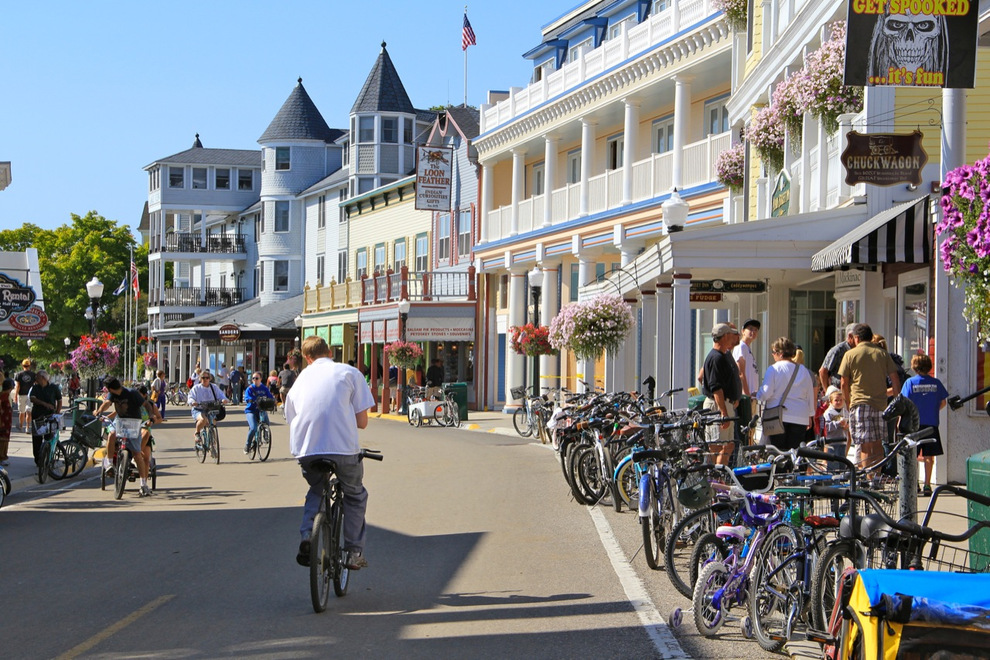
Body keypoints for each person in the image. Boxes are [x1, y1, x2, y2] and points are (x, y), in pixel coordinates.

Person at [287, 336, 375, 571]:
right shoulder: (349, 372)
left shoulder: (299, 380)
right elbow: (363, 422)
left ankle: (307, 536)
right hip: (342, 449)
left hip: (306, 450)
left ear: (307, 358)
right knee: (355, 495)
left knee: (317, 488)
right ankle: (353, 552)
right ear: (329, 352)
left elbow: (292, 418)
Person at [838, 323, 901, 468]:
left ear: (857, 338)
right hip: (880, 404)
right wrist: (897, 402)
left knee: (865, 445)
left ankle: (867, 478)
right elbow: (895, 378)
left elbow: (843, 382)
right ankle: (876, 479)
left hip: (859, 403)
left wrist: (847, 402)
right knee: (878, 443)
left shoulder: (850, 354)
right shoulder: (882, 353)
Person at [96, 377, 160, 496]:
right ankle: (109, 463)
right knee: (112, 434)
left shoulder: (132, 393)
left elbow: (146, 404)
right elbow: (107, 403)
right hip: (120, 421)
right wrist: (99, 411)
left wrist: (151, 416)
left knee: (137, 454)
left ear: (110, 388)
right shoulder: (112, 395)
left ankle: (143, 485)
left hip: (134, 422)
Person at [901, 353, 948, 496]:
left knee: (913, 454)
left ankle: (914, 483)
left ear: (914, 367)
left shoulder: (910, 383)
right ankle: (927, 484)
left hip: (914, 424)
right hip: (931, 423)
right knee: (929, 456)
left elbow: (904, 403)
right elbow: (943, 402)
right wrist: (933, 410)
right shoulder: (936, 383)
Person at [756, 337, 816, 451]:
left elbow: (765, 393)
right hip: (800, 417)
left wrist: (757, 394)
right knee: (795, 454)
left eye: (773, 352)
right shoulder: (803, 370)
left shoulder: (773, 369)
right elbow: (809, 395)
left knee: (777, 453)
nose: (773, 355)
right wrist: (810, 415)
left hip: (778, 417)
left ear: (780, 353)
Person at [701, 323, 742, 466]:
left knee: (728, 445)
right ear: (725, 336)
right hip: (718, 405)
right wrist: (723, 412)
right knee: (717, 446)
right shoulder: (715, 358)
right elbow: (716, 387)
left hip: (726, 404)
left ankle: (720, 476)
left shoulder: (724, 355)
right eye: (731, 334)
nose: (734, 337)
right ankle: (715, 477)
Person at [186, 371, 230, 449]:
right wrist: (193, 402)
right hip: (199, 409)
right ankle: (197, 433)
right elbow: (190, 397)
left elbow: (221, 395)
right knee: (203, 420)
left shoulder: (214, 387)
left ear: (210, 379)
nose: (205, 379)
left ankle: (212, 442)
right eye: (203, 378)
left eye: (207, 378)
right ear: (200, 379)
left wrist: (224, 400)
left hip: (210, 409)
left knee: (213, 422)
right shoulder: (196, 388)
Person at [732, 319, 761, 438]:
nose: (753, 332)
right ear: (743, 331)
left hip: (753, 396)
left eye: (755, 330)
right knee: (746, 429)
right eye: (750, 329)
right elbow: (740, 373)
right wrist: (746, 395)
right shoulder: (741, 347)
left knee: (751, 430)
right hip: (746, 397)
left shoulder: (747, 349)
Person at [28, 370, 61, 468]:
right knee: (36, 439)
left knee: (49, 438)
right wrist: (45, 404)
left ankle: (48, 458)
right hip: (37, 416)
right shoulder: (35, 387)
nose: (35, 378)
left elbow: (59, 400)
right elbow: (32, 398)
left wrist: (57, 413)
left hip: (50, 416)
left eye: (37, 377)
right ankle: (38, 460)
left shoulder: (54, 388)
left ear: (43, 378)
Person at [819, 324, 857, 392]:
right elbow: (823, 371)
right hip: (839, 391)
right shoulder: (838, 350)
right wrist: (828, 392)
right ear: (850, 336)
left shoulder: (859, 350)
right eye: (857, 337)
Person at [244, 372, 275, 454]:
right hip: (251, 410)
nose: (254, 380)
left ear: (260, 379)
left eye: (256, 378)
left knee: (266, 420)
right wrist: (250, 400)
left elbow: (270, 397)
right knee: (253, 428)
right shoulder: (250, 389)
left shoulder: (264, 388)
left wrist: (272, 401)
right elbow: (247, 397)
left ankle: (265, 434)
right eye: (253, 378)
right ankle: (247, 445)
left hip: (261, 409)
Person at [822, 385, 852, 468]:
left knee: (842, 462)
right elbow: (826, 427)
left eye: (841, 400)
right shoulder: (828, 413)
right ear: (831, 402)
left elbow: (848, 423)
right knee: (832, 462)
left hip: (842, 441)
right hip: (832, 442)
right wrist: (838, 423)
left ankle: (841, 477)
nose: (839, 402)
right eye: (836, 400)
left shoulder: (845, 412)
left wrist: (846, 426)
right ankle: (833, 479)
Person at [14, 358, 36, 433]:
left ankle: (21, 426)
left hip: (21, 395)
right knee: (28, 412)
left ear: (22, 365)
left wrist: (15, 396)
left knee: (21, 412)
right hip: (30, 395)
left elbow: (18, 386)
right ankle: (27, 427)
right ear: (29, 365)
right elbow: (35, 385)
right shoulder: (33, 375)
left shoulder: (19, 374)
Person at [0, 378, 12, 465]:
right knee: (2, 439)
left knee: (5, 439)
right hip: (3, 420)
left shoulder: (7, 395)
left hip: (7, 420)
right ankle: (1, 456)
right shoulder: (3, 395)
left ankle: (3, 456)